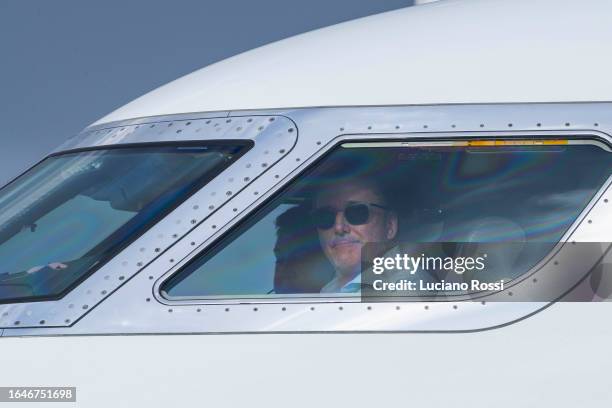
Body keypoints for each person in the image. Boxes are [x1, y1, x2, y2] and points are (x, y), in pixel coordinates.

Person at [310, 180, 398, 293]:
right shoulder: (330, 289)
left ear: (390, 225)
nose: (339, 227)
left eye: (357, 212)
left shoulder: (407, 290)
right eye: (324, 217)